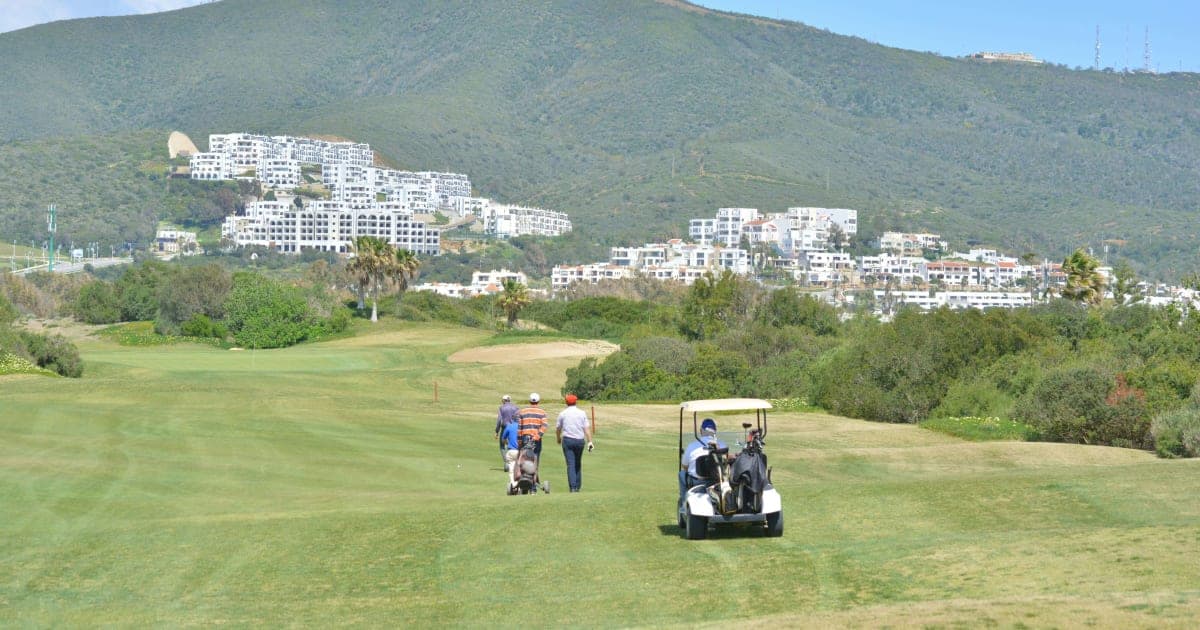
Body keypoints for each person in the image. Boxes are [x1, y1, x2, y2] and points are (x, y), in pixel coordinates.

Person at [679, 418, 726, 501]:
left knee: (682, 474)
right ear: (715, 431)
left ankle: (683, 502)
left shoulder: (692, 446)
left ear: (701, 430)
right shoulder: (722, 445)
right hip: (716, 481)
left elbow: (685, 466)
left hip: (697, 482)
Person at [555, 393, 593, 492]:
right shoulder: (582, 413)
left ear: (566, 402)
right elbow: (587, 429)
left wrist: (558, 438)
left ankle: (573, 487)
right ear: (576, 402)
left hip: (567, 440)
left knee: (570, 464)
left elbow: (558, 428)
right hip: (580, 440)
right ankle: (578, 486)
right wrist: (590, 442)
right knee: (578, 463)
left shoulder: (563, 413)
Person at [517, 393, 548, 457]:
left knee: (525, 458)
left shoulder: (522, 411)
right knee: (535, 457)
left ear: (529, 401)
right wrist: (538, 436)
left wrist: (519, 440)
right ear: (538, 401)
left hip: (525, 437)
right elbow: (544, 425)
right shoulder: (542, 412)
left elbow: (520, 427)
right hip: (536, 437)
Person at [494, 394, 519, 471]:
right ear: (509, 400)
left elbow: (499, 420)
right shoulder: (516, 407)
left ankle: (507, 463)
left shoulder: (501, 408)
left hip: (505, 428)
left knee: (502, 445)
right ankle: (515, 463)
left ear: (503, 400)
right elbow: (519, 418)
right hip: (515, 428)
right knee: (514, 444)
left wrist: (496, 431)